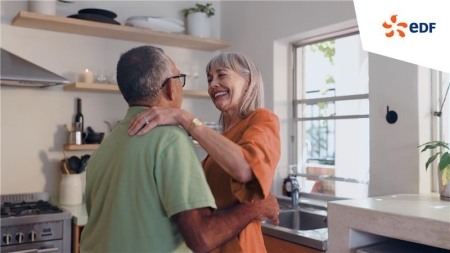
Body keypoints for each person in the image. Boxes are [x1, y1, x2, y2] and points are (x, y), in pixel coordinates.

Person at [80, 46, 279, 253]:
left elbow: (245, 168)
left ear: (249, 81)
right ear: (169, 88)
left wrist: (182, 117)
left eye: (222, 75)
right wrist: (257, 207)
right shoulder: (174, 140)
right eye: (209, 78)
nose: (213, 85)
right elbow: (200, 233)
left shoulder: (107, 146)